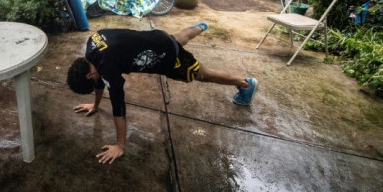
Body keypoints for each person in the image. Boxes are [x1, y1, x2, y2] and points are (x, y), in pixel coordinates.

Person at [66, 23, 258, 164]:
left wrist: (120, 145)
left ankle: (246, 84)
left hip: (167, 58)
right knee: (177, 39)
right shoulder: (92, 44)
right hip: (157, 37)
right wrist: (96, 105)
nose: (96, 80)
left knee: (202, 74)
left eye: (92, 79)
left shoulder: (106, 67)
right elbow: (100, 81)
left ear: (89, 74)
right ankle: (200, 27)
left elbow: (119, 107)